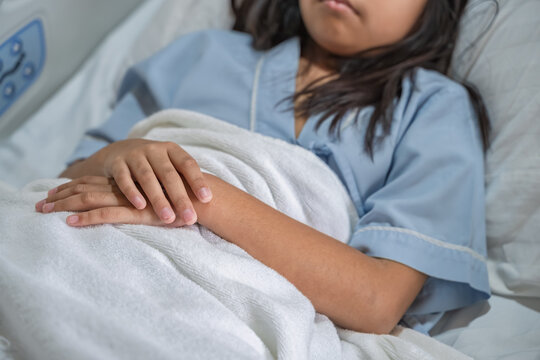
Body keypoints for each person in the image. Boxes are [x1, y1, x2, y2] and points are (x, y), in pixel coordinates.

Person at [35, 0, 491, 335]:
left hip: (211, 307)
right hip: (79, 248)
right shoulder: (199, 53)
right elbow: (67, 184)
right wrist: (120, 157)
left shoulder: (433, 108)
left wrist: (197, 196)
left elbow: (376, 300)